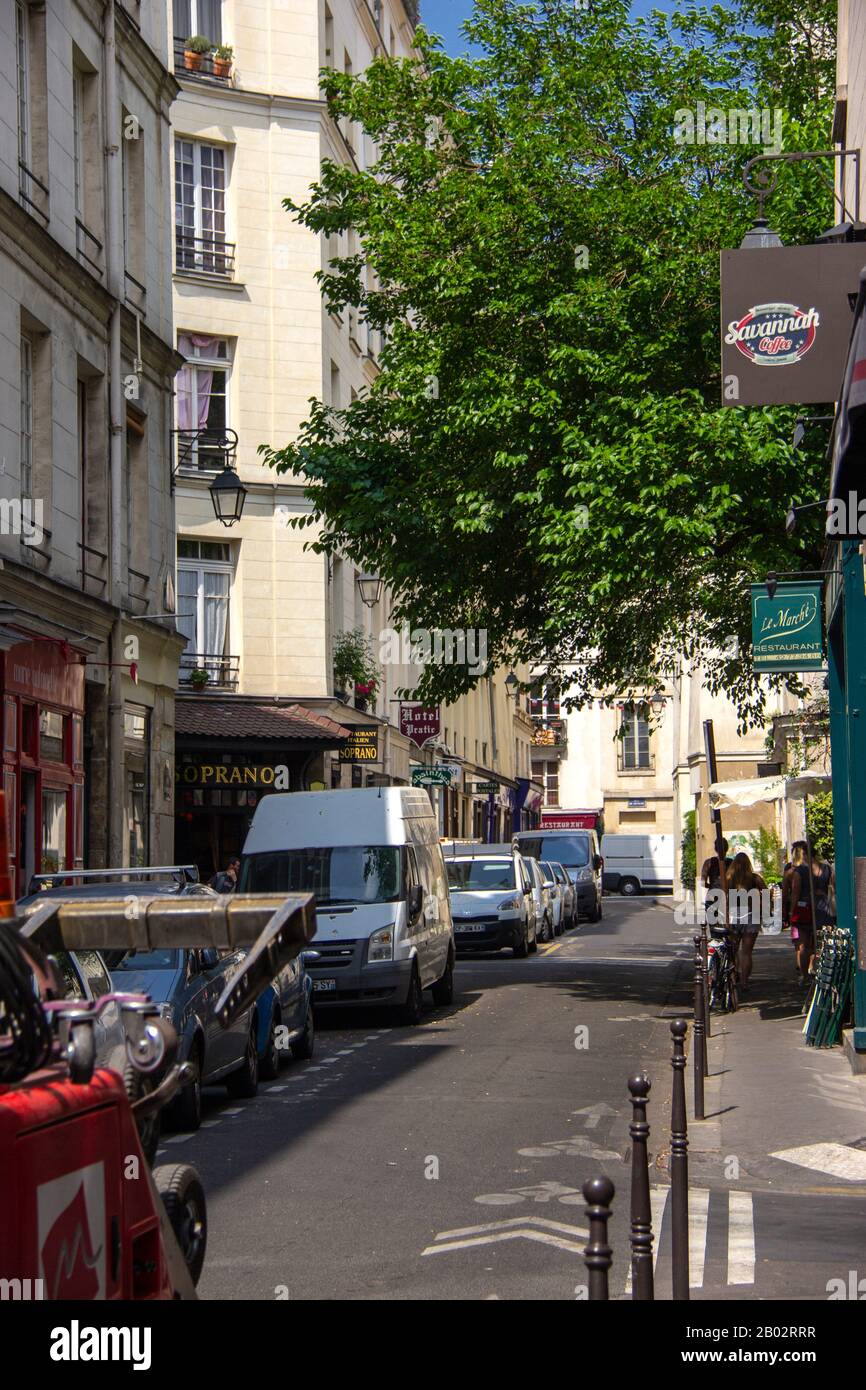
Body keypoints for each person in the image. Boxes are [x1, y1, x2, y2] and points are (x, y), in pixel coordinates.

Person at [728, 851, 766, 991]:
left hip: (733, 915)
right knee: (746, 952)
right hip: (751, 914)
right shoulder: (754, 878)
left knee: (733, 949)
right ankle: (744, 981)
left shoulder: (728, 878)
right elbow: (766, 893)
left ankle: (732, 977)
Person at [783, 841, 816, 985]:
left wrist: (788, 912)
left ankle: (803, 972)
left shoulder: (791, 872)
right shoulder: (819, 868)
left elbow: (788, 893)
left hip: (799, 911)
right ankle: (811, 967)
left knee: (800, 944)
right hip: (818, 909)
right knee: (814, 943)